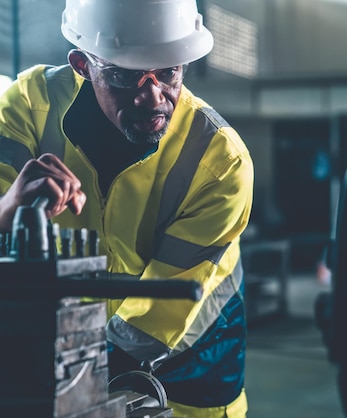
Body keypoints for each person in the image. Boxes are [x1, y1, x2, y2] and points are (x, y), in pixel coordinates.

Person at [0, 0, 253, 416]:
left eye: (169, 71)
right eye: (124, 76)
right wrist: (7, 207)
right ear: (83, 64)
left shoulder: (218, 161)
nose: (151, 97)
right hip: (65, 358)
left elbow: (155, 316)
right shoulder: (29, 106)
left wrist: (71, 379)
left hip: (187, 374)